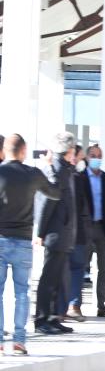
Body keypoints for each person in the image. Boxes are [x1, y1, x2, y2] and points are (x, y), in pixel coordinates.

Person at [0, 134, 61, 355]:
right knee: (22, 293)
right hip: (23, 241)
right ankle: (19, 340)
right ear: (24, 151)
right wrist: (49, 166)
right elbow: (55, 193)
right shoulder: (33, 174)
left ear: (5, 151)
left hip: (0, 239)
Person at [34, 133, 85, 335]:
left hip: (63, 234)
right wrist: (41, 232)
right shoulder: (56, 169)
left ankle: (53, 317)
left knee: (56, 280)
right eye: (73, 149)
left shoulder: (65, 169)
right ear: (68, 150)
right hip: (56, 233)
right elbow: (47, 202)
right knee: (48, 279)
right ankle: (42, 320)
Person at [80, 144, 105, 318]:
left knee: (103, 269)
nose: (96, 158)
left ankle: (101, 305)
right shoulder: (80, 178)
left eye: (99, 156)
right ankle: (76, 305)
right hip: (86, 230)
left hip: (104, 229)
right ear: (88, 158)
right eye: (93, 155)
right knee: (81, 268)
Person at [62, 145, 93, 323]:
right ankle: (64, 307)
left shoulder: (79, 178)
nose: (79, 160)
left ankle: (73, 306)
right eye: (78, 156)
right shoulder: (69, 176)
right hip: (69, 232)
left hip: (78, 231)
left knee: (76, 269)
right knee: (68, 270)